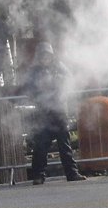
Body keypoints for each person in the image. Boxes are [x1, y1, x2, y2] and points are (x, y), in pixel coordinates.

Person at [20, 41, 85, 185]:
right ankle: (38, 175)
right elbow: (29, 90)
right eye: (42, 56)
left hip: (59, 111)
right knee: (40, 146)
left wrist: (58, 88)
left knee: (65, 145)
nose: (45, 58)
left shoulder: (59, 68)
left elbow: (69, 82)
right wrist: (40, 97)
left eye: (47, 55)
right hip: (44, 113)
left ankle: (72, 173)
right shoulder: (34, 72)